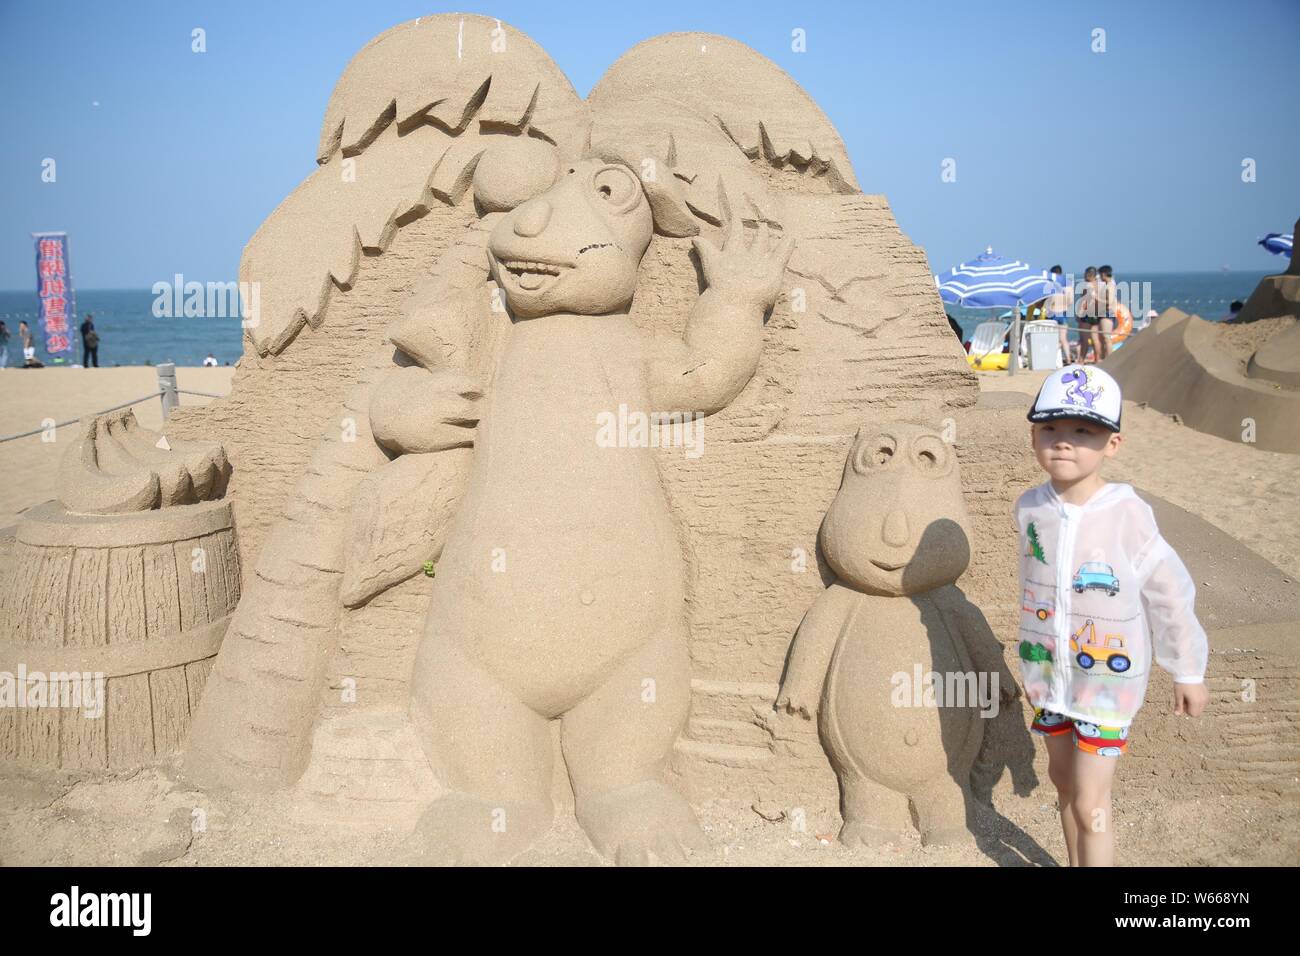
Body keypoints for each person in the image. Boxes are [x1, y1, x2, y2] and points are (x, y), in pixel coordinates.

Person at [1015, 364, 1209, 866]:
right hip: (1048, 678)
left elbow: (1168, 591)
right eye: (1050, 429)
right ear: (1034, 434)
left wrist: (1186, 668)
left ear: (1113, 444)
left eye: (1083, 431)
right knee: (1062, 784)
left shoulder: (1127, 513)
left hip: (1105, 686)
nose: (1063, 443)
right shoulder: (1029, 508)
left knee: (1089, 800)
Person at [1045, 264, 1073, 363]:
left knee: (1052, 338)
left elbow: (1049, 300)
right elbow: (1070, 301)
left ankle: (1053, 359)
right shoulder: (1067, 285)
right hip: (1063, 313)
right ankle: (1068, 359)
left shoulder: (1051, 284)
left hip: (1053, 313)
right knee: (1063, 339)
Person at [1094, 265, 1117, 362]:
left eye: (1100, 274)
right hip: (1103, 312)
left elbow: (1110, 301)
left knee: (1106, 338)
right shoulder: (1108, 284)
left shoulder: (1110, 285)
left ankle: (1110, 360)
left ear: (1103, 274)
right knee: (1103, 338)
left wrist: (1096, 298)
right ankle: (1104, 359)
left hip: (1107, 313)